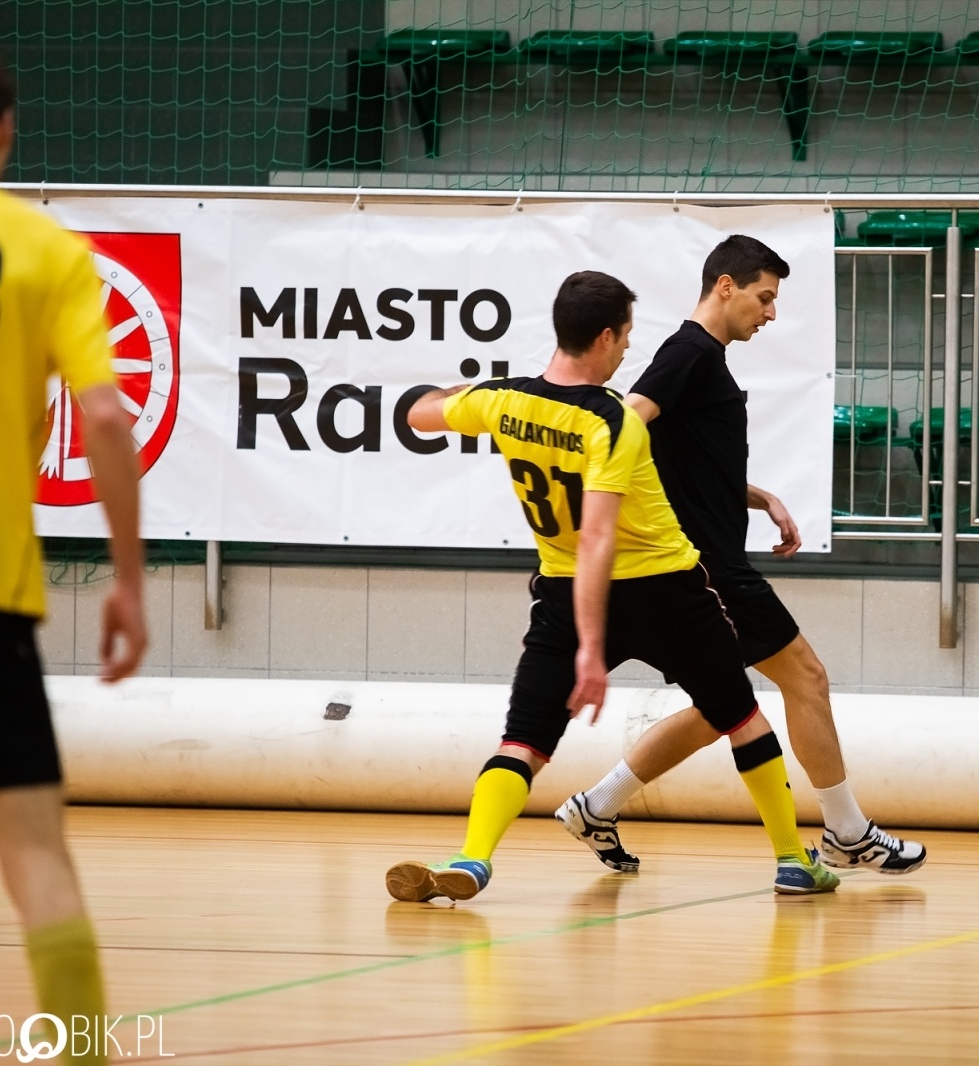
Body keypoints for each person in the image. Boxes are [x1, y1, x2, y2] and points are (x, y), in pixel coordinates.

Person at [383, 271, 838, 901]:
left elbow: (419, 412)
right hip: (666, 593)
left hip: (562, 597)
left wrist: (485, 390)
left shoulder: (506, 402)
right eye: (625, 337)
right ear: (603, 337)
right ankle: (794, 860)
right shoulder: (615, 422)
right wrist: (594, 654)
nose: (628, 350)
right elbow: (599, 538)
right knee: (742, 717)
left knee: (524, 741)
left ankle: (473, 857)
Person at [0, 35, 148, 1065]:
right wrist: (130, 580)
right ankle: (82, 1048)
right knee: (32, 853)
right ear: (4, 133)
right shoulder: (50, 252)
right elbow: (102, 418)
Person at [596, 234, 925, 874]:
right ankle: (848, 832)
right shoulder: (690, 350)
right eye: (764, 297)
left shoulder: (702, 359)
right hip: (711, 569)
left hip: (700, 561)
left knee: (721, 705)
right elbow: (626, 421)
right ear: (726, 286)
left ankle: (597, 805)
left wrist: (759, 497)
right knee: (806, 677)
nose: (770, 313)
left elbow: (679, 459)